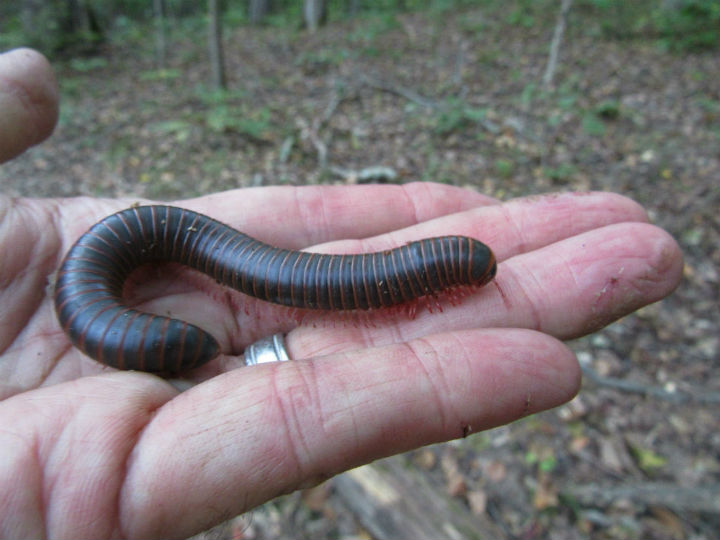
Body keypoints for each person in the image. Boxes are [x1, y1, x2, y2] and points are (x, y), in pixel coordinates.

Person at [0, 47, 684, 539]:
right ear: (449, 278)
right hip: (106, 275)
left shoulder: (131, 258)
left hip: (118, 276)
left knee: (329, 278)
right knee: (326, 278)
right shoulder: (116, 262)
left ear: (448, 275)